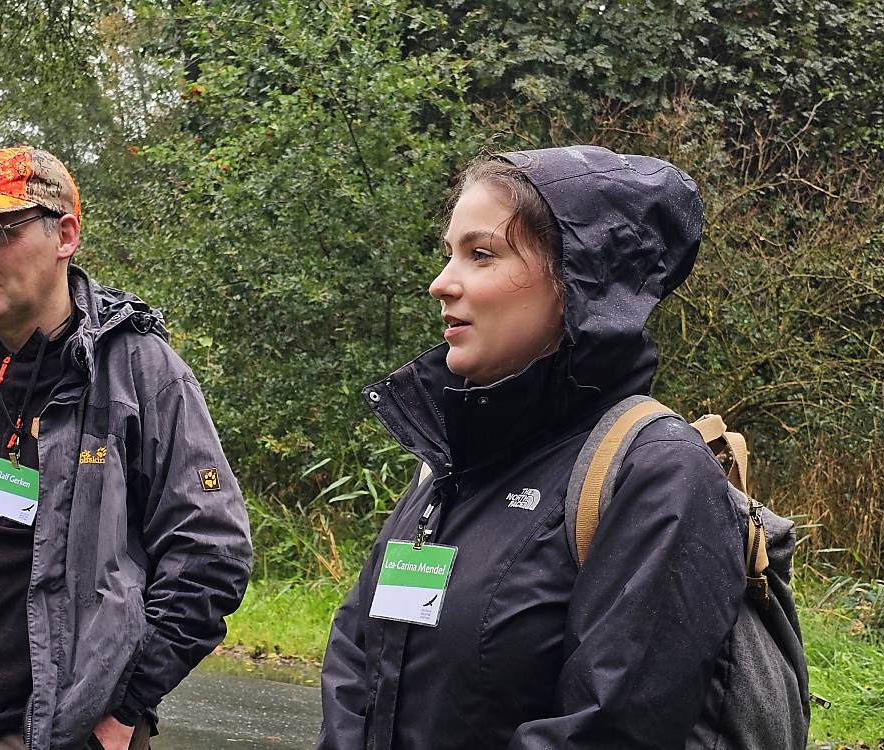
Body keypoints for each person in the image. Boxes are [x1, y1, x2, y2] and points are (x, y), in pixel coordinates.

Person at [318, 146, 746, 749]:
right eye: (449, 255)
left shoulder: (656, 474)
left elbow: (608, 731)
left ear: (579, 281)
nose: (441, 284)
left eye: (482, 254)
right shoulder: (453, 463)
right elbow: (359, 660)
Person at [0, 145, 252, 750]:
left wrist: (123, 709)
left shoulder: (137, 373)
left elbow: (211, 553)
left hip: (59, 732)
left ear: (65, 235)